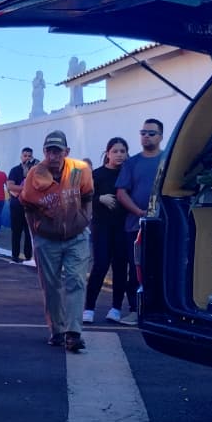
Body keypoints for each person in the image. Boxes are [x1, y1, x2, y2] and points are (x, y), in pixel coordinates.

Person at [20, 130, 93, 353]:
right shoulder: (35, 174)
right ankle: (57, 330)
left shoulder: (80, 170)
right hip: (47, 238)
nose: (53, 156)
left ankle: (73, 333)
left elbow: (88, 196)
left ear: (66, 152)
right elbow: (27, 207)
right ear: (44, 152)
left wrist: (85, 220)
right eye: (49, 151)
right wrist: (36, 235)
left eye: (57, 151)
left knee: (76, 281)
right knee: (51, 286)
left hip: (76, 235)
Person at [115, 118, 164, 326]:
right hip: (135, 227)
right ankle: (135, 310)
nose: (146, 136)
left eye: (151, 133)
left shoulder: (168, 160)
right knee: (136, 271)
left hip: (162, 226)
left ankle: (159, 311)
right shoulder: (131, 162)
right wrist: (139, 212)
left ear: (160, 136)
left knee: (160, 269)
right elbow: (121, 192)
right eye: (143, 132)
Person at [83, 137, 131, 325]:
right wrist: (99, 199)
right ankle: (89, 308)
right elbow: (84, 197)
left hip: (123, 227)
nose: (119, 155)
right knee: (100, 265)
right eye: (115, 151)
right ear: (108, 153)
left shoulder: (129, 173)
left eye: (122, 151)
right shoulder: (97, 174)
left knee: (120, 268)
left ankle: (116, 308)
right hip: (101, 226)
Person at [6, 147, 36, 262]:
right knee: (16, 231)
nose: (27, 158)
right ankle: (15, 255)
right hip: (17, 206)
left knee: (29, 232)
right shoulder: (15, 170)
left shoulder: (35, 172)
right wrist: (26, 188)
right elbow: (10, 186)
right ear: (21, 156)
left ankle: (28, 256)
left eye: (29, 156)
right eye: (25, 156)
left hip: (31, 206)